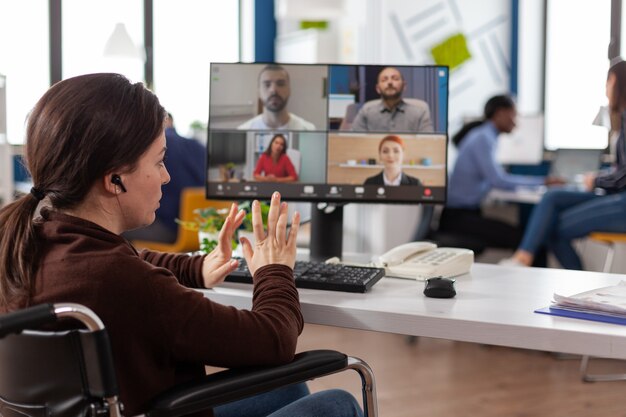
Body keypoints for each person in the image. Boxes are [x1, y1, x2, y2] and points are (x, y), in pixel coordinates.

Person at [0, 73, 363, 417]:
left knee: (288, 389)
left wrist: (195, 267)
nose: (167, 175)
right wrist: (275, 270)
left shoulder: (26, 242)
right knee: (336, 404)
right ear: (114, 179)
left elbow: (128, 262)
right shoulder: (126, 283)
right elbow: (274, 339)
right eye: (159, 162)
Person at [501, 60, 626, 270]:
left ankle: (531, 262)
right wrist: (601, 176)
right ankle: (523, 258)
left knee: (552, 227)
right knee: (553, 196)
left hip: (622, 203)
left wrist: (596, 179)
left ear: (613, 81)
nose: (606, 91)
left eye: (606, 85)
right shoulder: (622, 120)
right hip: (617, 197)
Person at [440, 95, 559, 251]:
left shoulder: (483, 135)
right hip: (458, 218)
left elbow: (494, 179)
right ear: (501, 113)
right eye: (513, 115)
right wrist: (543, 181)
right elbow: (499, 181)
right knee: (530, 239)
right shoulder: (483, 138)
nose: (515, 122)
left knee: (527, 235)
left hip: (463, 214)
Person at [123, 112, 205, 243]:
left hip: (169, 229)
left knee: (110, 228)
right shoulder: (198, 146)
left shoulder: (156, 145)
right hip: (201, 231)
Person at [352, 66, 434, 133]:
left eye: (395, 79)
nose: (390, 82)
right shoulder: (366, 112)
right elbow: (355, 142)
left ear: (404, 86)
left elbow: (428, 144)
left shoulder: (420, 113)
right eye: (384, 80)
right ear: (378, 89)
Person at [238, 64, 315, 130]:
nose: (273, 90)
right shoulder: (244, 130)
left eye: (280, 84)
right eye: (267, 84)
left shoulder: (308, 129)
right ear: (259, 92)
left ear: (289, 90)